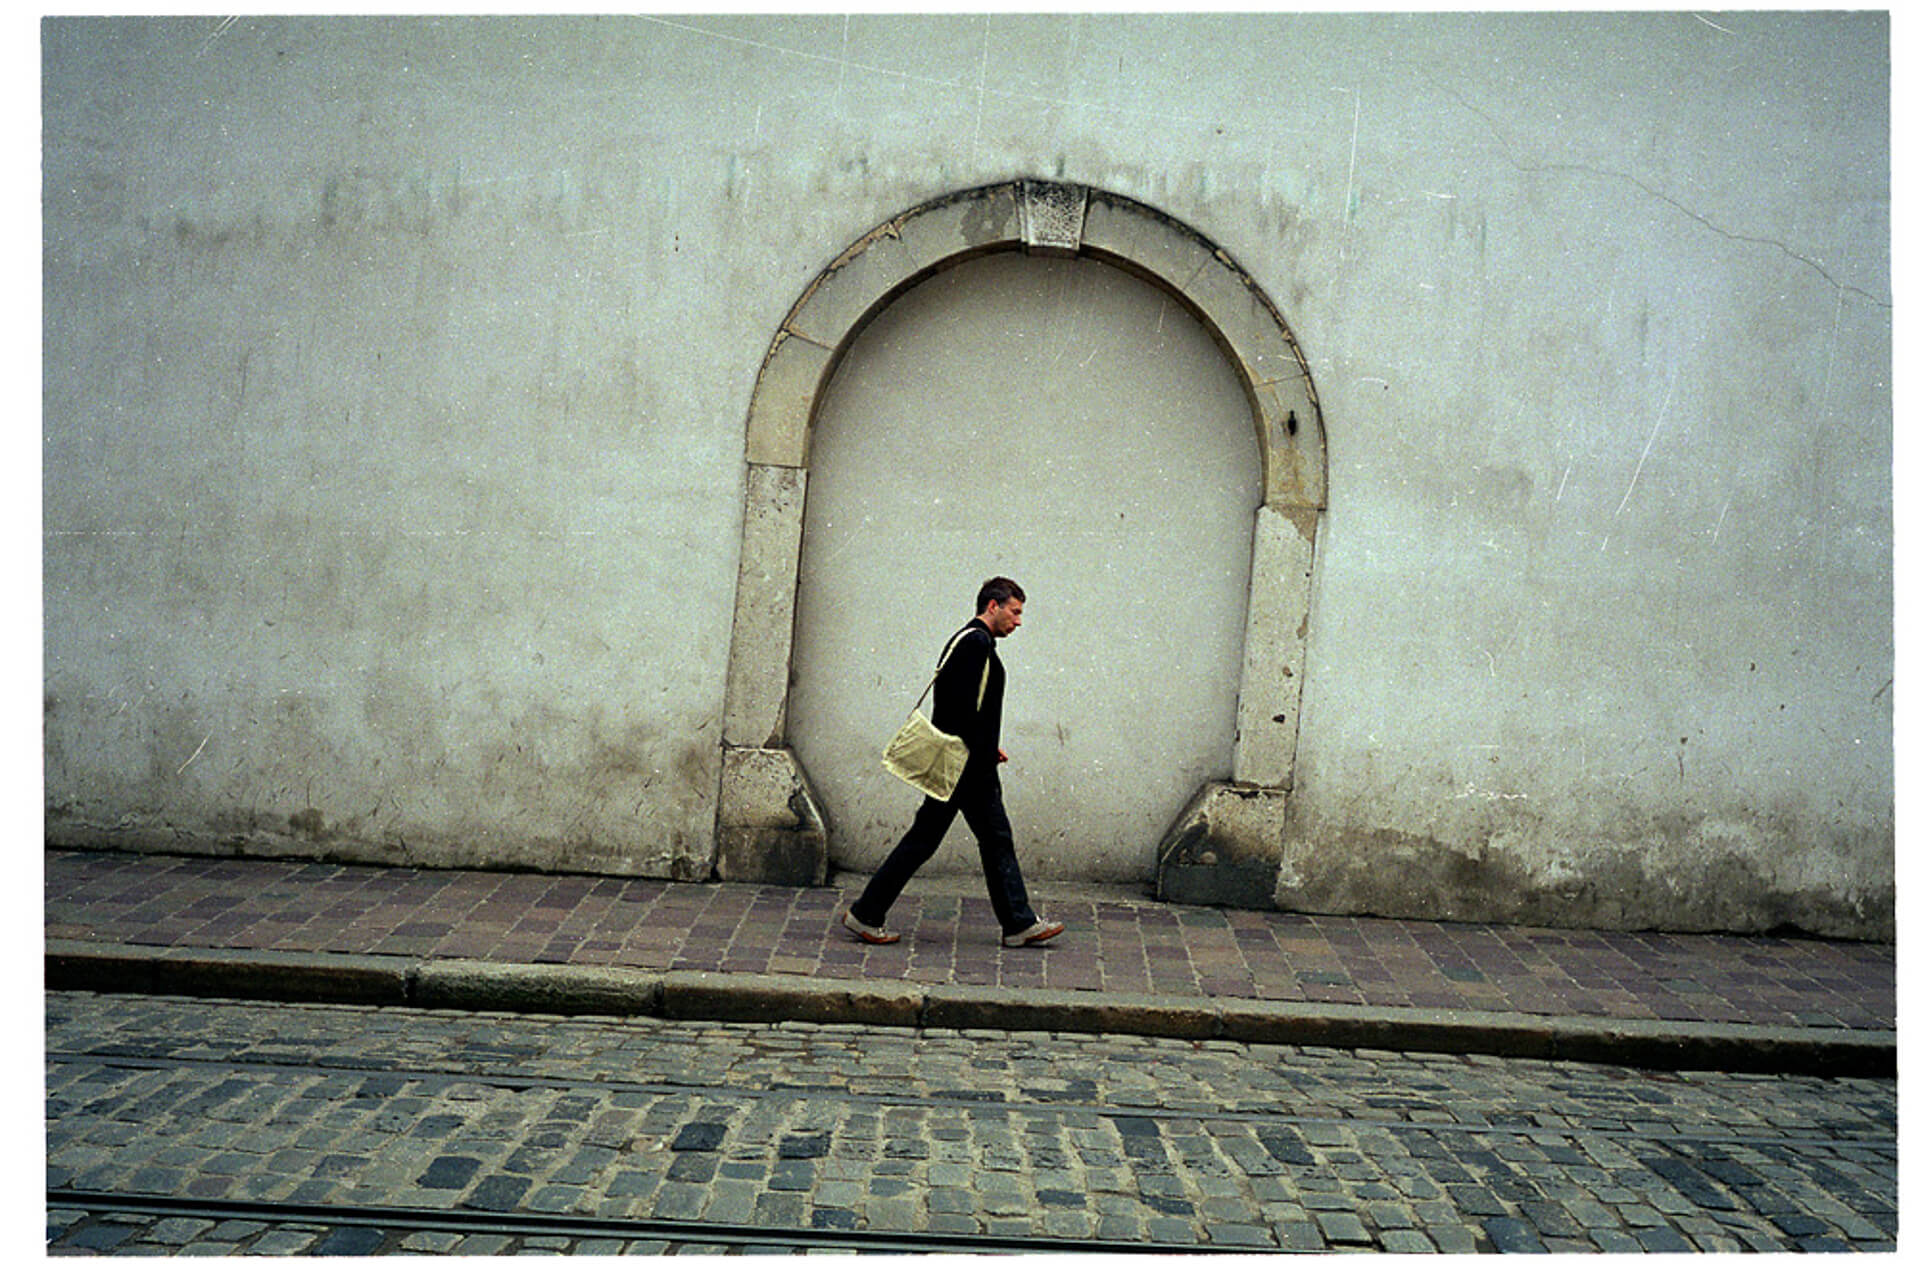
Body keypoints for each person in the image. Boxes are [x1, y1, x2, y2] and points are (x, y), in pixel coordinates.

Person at [843, 576, 1065, 949]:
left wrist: (988, 746)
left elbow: (961, 708)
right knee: (989, 839)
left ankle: (867, 913)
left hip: (966, 762)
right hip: (968, 768)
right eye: (1015, 611)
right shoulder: (976, 644)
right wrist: (982, 752)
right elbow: (961, 710)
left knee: (932, 840)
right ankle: (1018, 923)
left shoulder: (971, 641)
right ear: (992, 606)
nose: (1019, 621)